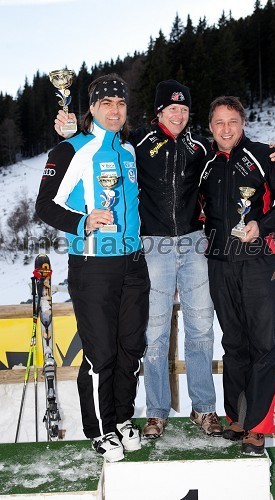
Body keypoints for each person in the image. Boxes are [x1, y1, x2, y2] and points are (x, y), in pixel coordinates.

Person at [54, 80, 275, 440]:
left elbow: (235, 151)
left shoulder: (201, 148)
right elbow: (100, 144)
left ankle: (204, 409)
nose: (177, 114)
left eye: (183, 109)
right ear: (159, 112)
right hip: (154, 247)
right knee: (154, 334)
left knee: (201, 330)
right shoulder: (138, 145)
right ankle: (158, 413)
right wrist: (70, 131)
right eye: (170, 109)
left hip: (196, 245)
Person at [36, 74, 150, 462]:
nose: (115, 111)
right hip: (92, 265)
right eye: (107, 104)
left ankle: (121, 420)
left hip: (133, 264)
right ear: (93, 108)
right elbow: (47, 205)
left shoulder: (130, 151)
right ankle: (100, 430)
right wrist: (83, 220)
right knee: (101, 353)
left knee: (131, 348)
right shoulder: (72, 149)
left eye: (120, 104)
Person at [199, 96, 275, 454]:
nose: (226, 129)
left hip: (260, 262)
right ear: (210, 127)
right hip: (220, 264)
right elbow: (198, 211)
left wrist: (263, 224)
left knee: (262, 345)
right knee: (233, 343)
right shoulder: (206, 164)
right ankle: (237, 418)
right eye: (219, 123)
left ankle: (258, 426)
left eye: (232, 121)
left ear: (243, 123)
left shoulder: (264, 154)